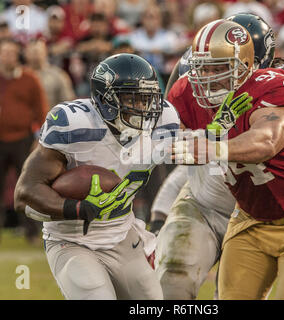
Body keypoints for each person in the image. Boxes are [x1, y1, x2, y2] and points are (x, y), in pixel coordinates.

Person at [152, 13, 284, 300]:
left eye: (219, 67)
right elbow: (170, 145)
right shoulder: (189, 84)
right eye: (204, 68)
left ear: (252, 62)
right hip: (221, 202)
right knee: (173, 281)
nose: (209, 78)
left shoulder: (279, 82)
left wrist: (213, 147)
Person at [14, 53, 180, 300]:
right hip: (71, 238)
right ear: (105, 100)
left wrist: (216, 135)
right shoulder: (74, 125)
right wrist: (78, 208)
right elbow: (24, 194)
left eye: (147, 99)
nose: (143, 108)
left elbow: (197, 155)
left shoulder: (164, 120)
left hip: (122, 233)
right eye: (131, 99)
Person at [0, 39, 49, 243]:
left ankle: (31, 231)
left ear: (18, 56)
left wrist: (39, 139)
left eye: (11, 52)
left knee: (27, 187)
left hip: (23, 138)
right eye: (3, 52)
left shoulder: (30, 79)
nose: (6, 56)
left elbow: (41, 110)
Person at [24, 39, 75, 108]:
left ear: (45, 52)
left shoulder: (58, 75)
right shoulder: (20, 75)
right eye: (32, 52)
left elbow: (68, 102)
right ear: (26, 54)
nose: (36, 56)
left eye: (38, 52)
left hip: (52, 116)